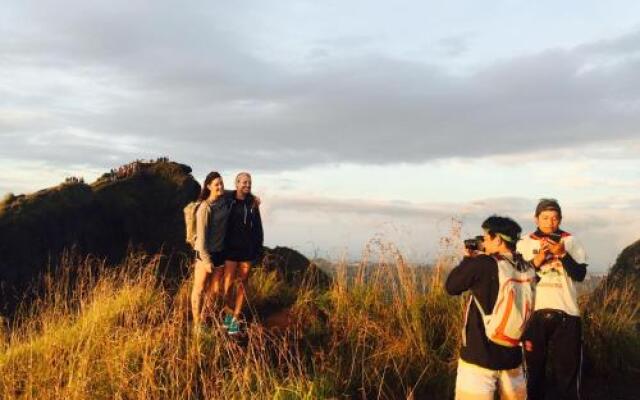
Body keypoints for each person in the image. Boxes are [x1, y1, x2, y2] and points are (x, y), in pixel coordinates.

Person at [446, 216, 535, 400]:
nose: (484, 243)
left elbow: (452, 286)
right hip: (512, 353)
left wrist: (468, 259)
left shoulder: (483, 264)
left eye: (486, 238)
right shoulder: (526, 267)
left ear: (498, 239)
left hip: (480, 354)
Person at [517, 199, 587, 400]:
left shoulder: (571, 241)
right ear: (536, 219)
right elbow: (518, 278)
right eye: (545, 218)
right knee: (533, 374)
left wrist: (562, 254)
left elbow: (580, 274)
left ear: (560, 220)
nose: (550, 222)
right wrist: (536, 262)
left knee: (566, 375)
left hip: (567, 313)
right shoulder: (524, 243)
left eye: (555, 218)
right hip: (533, 315)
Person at [220, 172, 264, 335]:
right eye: (244, 182)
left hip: (247, 250)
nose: (247, 185)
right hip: (230, 249)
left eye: (249, 183)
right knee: (228, 285)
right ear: (237, 183)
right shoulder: (228, 199)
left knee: (242, 285)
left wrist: (258, 249)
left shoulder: (252, 203)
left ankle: (235, 320)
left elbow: (258, 227)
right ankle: (228, 317)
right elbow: (214, 195)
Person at [191, 171, 232, 333]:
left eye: (221, 183)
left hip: (220, 253)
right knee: (199, 288)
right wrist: (207, 261)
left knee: (214, 291)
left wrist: (253, 197)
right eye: (216, 184)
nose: (220, 186)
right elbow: (201, 240)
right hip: (204, 254)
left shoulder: (224, 200)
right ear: (208, 187)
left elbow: (234, 192)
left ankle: (204, 318)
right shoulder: (204, 208)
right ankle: (196, 324)